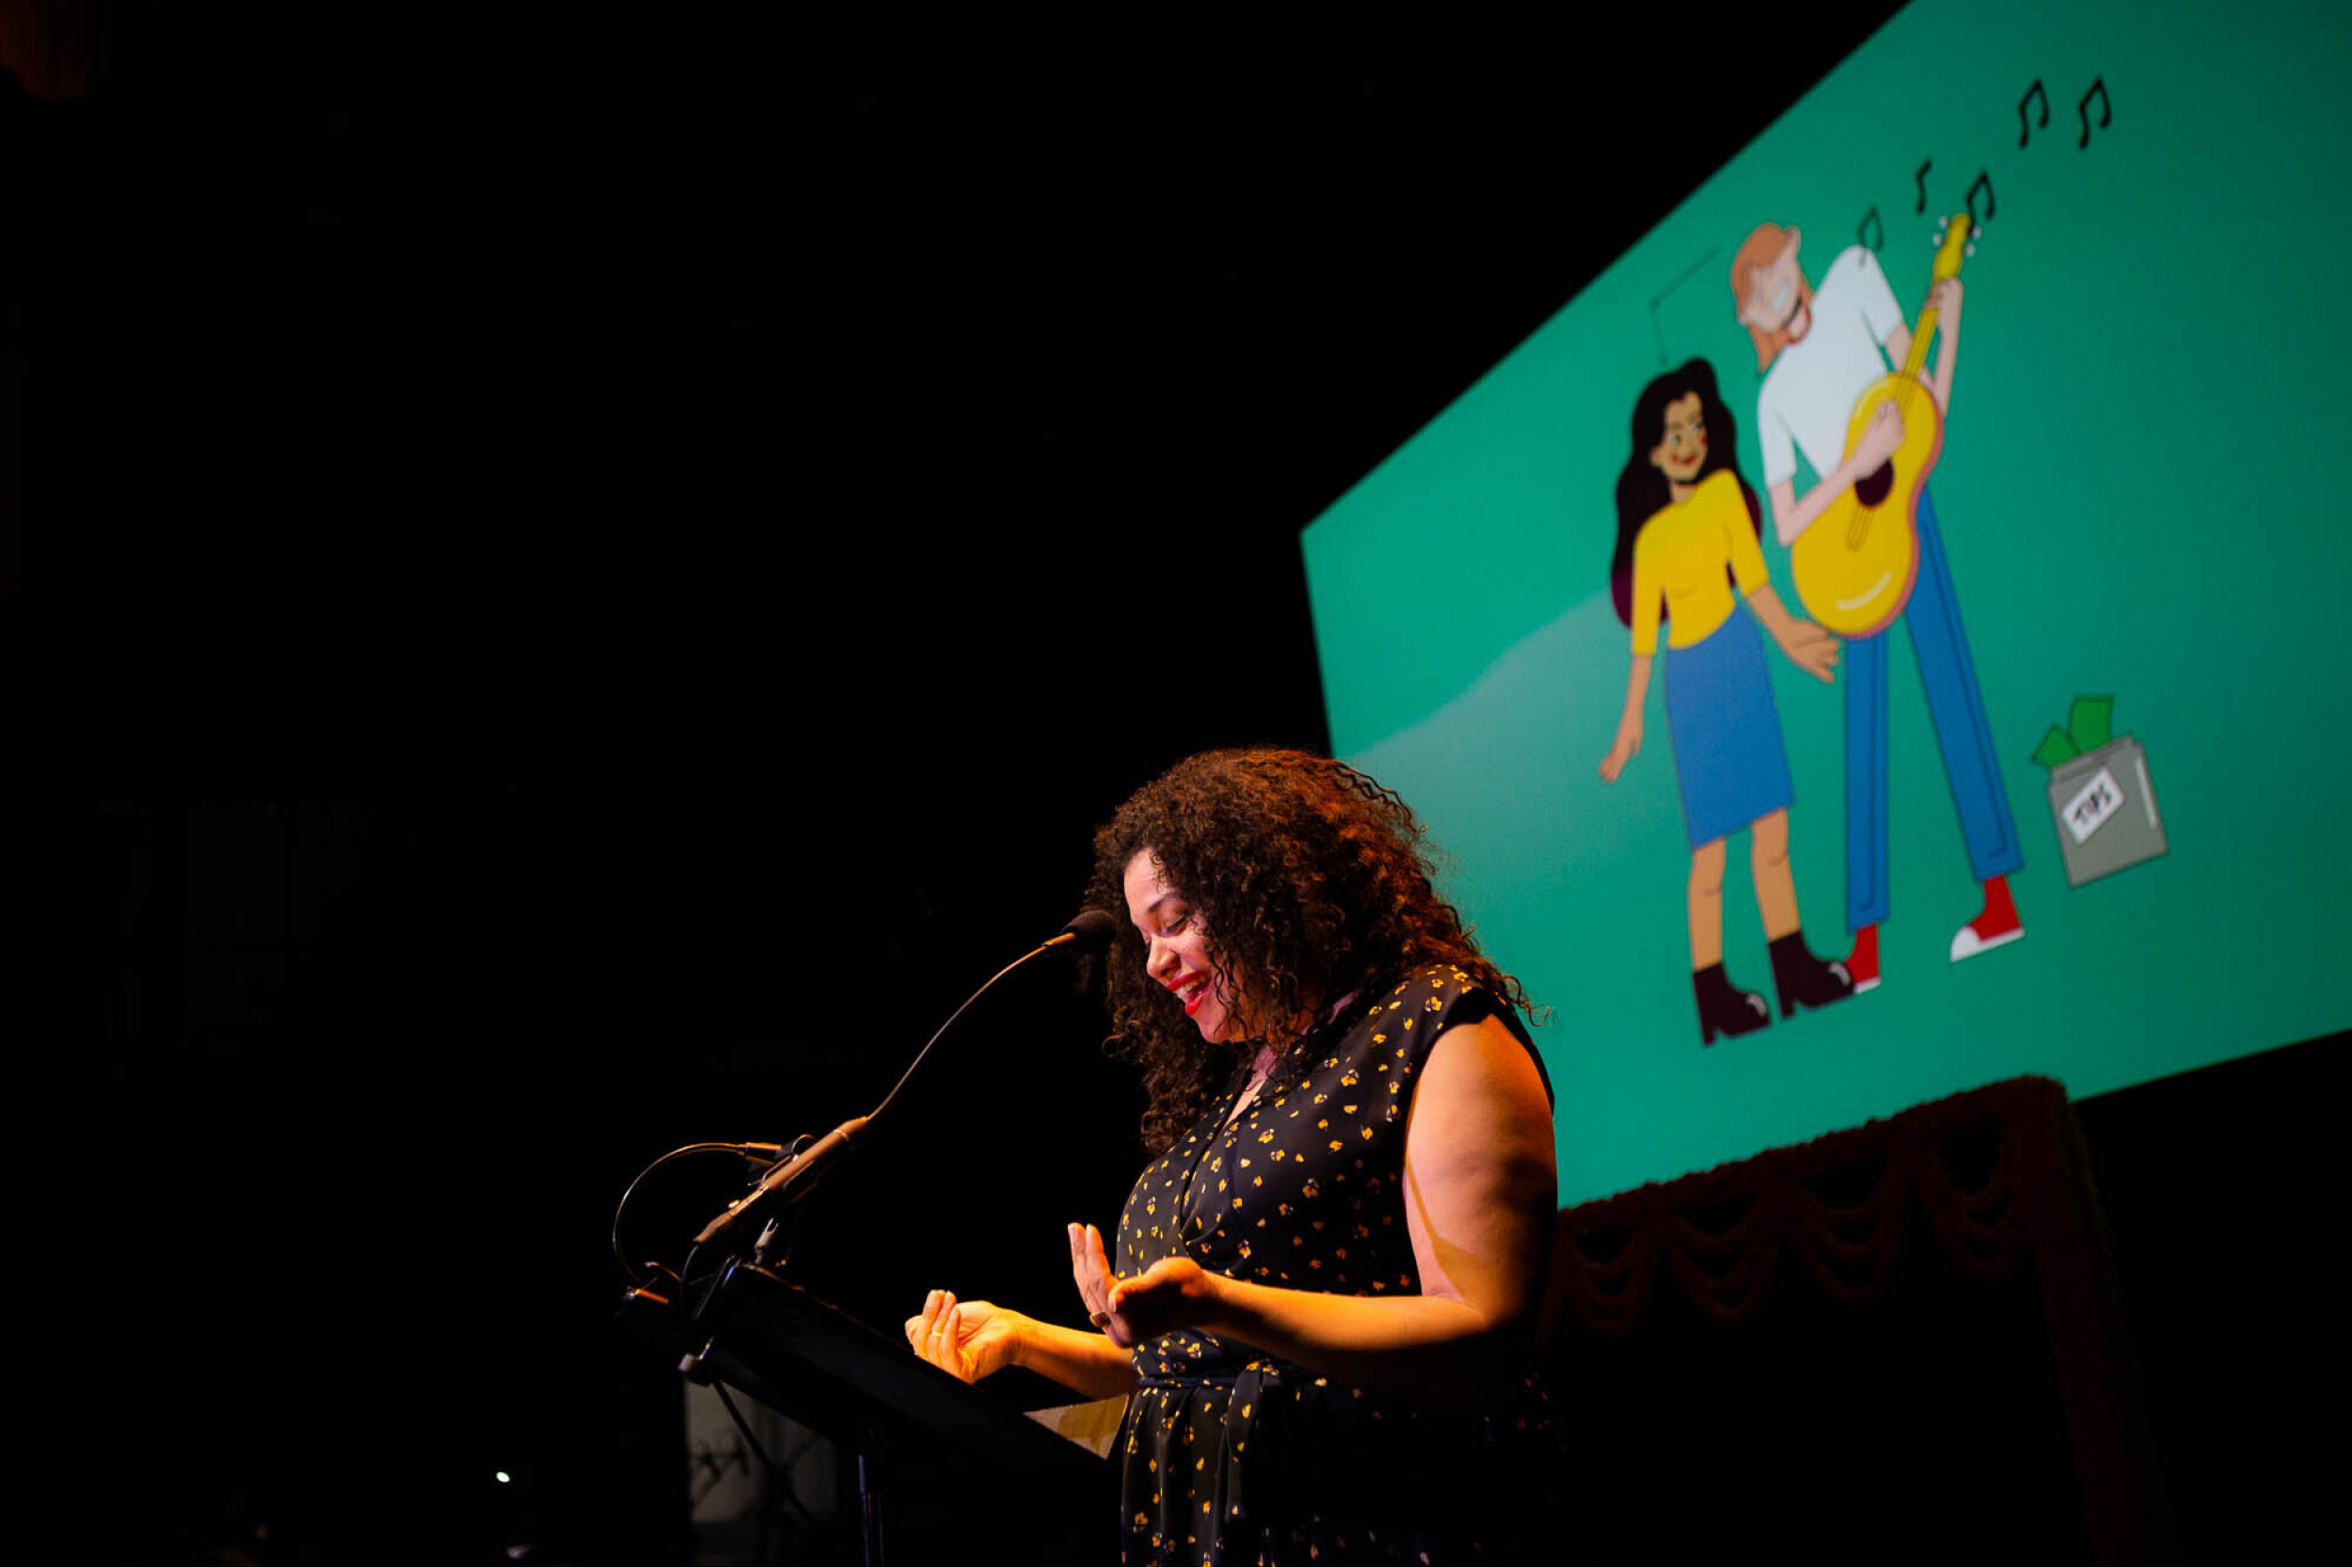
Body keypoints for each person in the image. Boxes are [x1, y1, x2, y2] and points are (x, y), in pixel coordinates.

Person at [904, 749, 1561, 1566]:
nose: (1152, 961)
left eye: (1174, 920)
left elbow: (1481, 1334)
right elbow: (1190, 1363)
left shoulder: (1433, 1027)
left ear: (1267, 896)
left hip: (1371, 1521)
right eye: (1144, 936)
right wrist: (1022, 1337)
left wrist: (1215, 1299)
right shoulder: (1237, 1094)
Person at [1730, 222, 2025, 990]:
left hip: (1906, 514)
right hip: (1840, 555)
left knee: (1952, 692)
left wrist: (1948, 328)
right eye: (1760, 289)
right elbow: (1788, 523)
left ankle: (1999, 899)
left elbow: (1923, 410)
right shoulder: (1773, 399)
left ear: (1795, 261)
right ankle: (1865, 946)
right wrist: (1852, 465)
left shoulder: (1857, 273)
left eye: (1778, 271)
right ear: (1751, 315)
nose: (1776, 291)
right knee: (1866, 736)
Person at [1598, 357, 1855, 1044]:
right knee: (1710, 853)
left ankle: (1792, 968)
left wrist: (1797, 638)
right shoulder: (1651, 537)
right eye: (1673, 431)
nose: (1689, 440)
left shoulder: (1723, 499)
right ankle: (1712, 994)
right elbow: (1645, 640)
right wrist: (1630, 722)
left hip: (1741, 663)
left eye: (1696, 425)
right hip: (1692, 683)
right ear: (1652, 452)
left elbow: (1757, 586)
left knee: (1772, 835)